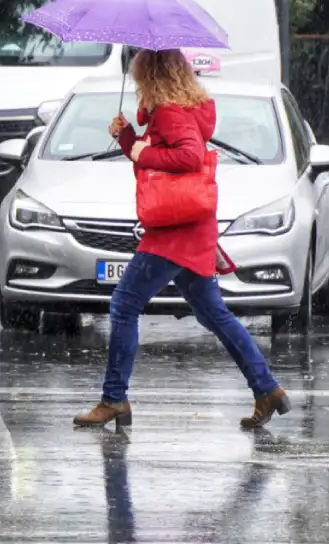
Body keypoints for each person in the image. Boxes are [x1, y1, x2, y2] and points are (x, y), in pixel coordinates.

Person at [73, 49, 290, 430]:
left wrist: (141, 148)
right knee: (213, 314)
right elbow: (158, 156)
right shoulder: (179, 109)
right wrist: (127, 137)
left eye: (140, 74)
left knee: (124, 304)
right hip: (191, 226)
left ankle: (114, 398)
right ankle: (267, 389)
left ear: (152, 75)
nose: (137, 81)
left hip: (174, 231)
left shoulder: (171, 112)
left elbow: (188, 156)